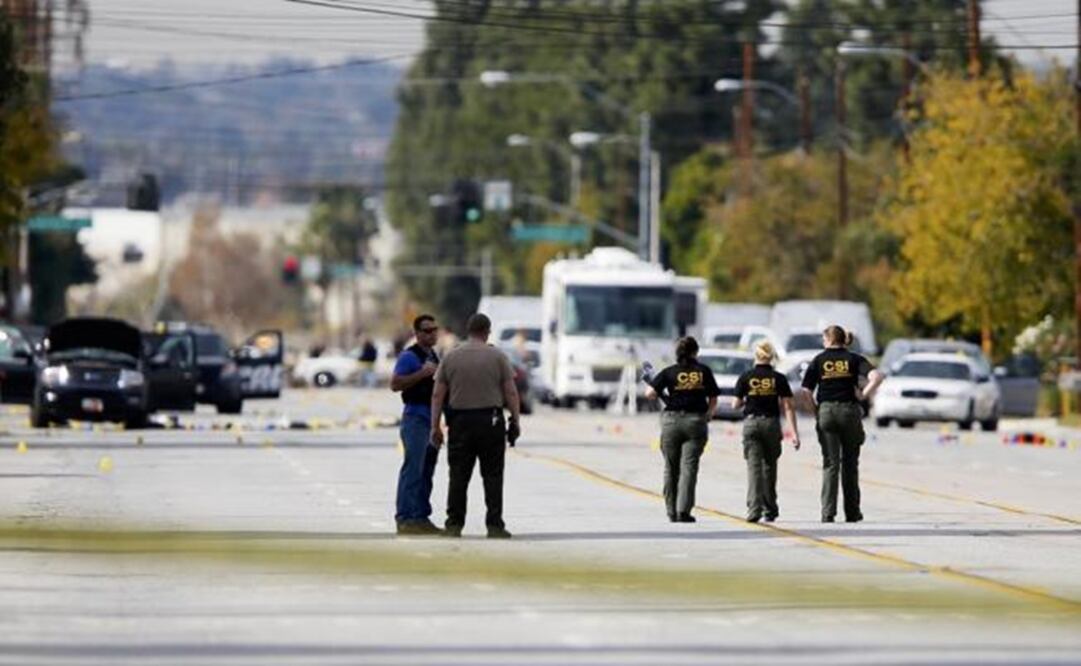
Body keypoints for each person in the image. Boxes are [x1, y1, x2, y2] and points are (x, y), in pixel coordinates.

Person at [430, 313, 521, 539]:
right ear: (487, 331)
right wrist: (515, 420)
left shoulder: (451, 357)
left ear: (468, 331)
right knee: (492, 475)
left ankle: (453, 524)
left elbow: (437, 395)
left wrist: (435, 426)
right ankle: (494, 525)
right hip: (490, 421)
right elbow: (510, 391)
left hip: (460, 422)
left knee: (458, 475)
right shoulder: (497, 356)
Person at [800, 325, 884, 523]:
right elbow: (877, 376)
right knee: (850, 464)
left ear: (829, 340)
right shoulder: (854, 358)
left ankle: (827, 513)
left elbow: (805, 391)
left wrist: (816, 412)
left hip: (826, 411)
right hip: (849, 412)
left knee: (830, 463)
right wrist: (863, 395)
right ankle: (852, 512)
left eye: (823, 339)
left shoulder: (819, 360)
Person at [644, 336, 720, 523]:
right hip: (695, 421)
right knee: (689, 467)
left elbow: (649, 393)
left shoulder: (669, 372)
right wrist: (708, 415)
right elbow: (713, 398)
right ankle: (683, 511)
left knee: (671, 467)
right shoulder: (704, 371)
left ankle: (670, 511)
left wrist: (661, 390)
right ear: (696, 352)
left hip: (671, 422)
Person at [732, 341, 801, 523]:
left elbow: (735, 404)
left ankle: (754, 509)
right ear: (771, 357)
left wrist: (748, 399)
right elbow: (789, 407)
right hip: (771, 424)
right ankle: (769, 509)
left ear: (756, 356)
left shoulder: (746, 376)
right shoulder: (779, 378)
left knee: (754, 467)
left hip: (751, 423)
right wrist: (794, 433)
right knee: (769, 467)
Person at [390, 315, 443, 536]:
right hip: (415, 419)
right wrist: (422, 373)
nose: (432, 334)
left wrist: (438, 425)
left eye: (434, 330)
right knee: (413, 469)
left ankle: (420, 516)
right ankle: (405, 517)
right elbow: (395, 383)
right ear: (418, 333)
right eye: (427, 330)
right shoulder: (409, 356)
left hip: (431, 421)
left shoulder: (433, 355)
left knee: (426, 472)